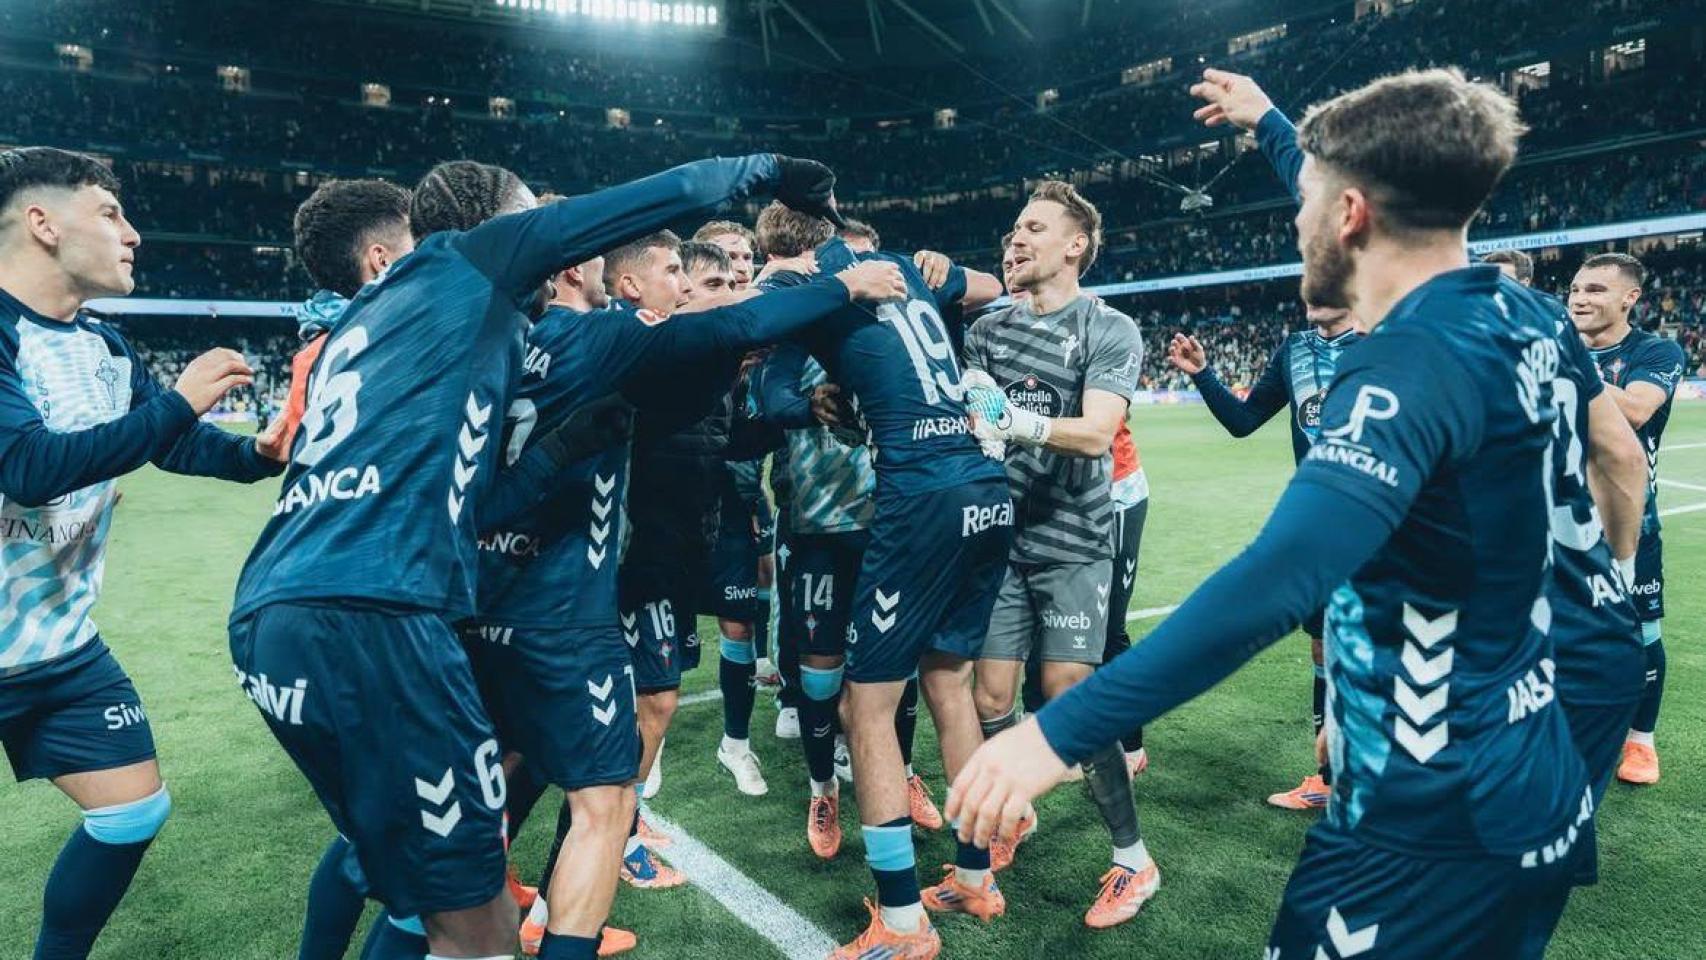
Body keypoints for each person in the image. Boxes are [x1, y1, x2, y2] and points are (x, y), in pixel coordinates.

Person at [950, 68, 1595, 959]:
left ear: (1351, 216)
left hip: (1426, 818)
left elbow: (1276, 581)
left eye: (1308, 202)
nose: (1296, 221)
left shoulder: (1407, 366)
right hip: (1534, 779)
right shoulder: (1529, 318)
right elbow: (1610, 506)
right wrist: (1272, 124)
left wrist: (1051, 736)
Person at [227, 153, 844, 960]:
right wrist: (773, 179)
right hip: (383, 610)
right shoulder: (475, 270)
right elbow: (665, 217)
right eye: (534, 227)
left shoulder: (389, 325)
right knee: (476, 920)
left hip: (277, 610)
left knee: (408, 871)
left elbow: (480, 487)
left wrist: (554, 454)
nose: (557, 249)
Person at [476, 219, 903, 960]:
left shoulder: (670, 361)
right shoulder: (629, 342)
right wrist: (839, 284)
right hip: (611, 573)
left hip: (656, 559)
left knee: (571, 742)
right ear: (630, 282)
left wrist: (785, 405)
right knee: (592, 743)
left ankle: (527, 874)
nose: (709, 291)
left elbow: (720, 435)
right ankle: (543, 886)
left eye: (724, 278)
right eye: (695, 276)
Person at [0, 146, 286, 959]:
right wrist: (178, 400)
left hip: (57, 648)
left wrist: (257, 456)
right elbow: (25, 466)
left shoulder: (104, 346)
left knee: (131, 811)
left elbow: (176, 446)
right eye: (110, 212)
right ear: (43, 223)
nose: (133, 233)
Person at [750, 200, 1008, 960]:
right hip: (988, 482)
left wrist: (807, 399)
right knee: (950, 683)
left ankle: (901, 923)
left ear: (778, 253)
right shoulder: (894, 266)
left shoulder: (797, 289)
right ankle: (973, 875)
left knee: (868, 708)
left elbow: (766, 397)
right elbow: (989, 286)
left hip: (920, 493)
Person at [952, 181, 1153, 929]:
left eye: (1034, 227)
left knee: (1069, 694)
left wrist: (1018, 421)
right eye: (1011, 228)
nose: (1015, 239)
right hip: (1003, 539)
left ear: (1076, 245)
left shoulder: (1110, 326)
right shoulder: (987, 332)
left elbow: (1098, 433)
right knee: (990, 700)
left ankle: (1133, 858)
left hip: (1073, 537)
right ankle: (1018, 813)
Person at [1186, 67, 1364, 810]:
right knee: (1326, 653)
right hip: (1319, 532)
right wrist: (1200, 376)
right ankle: (1326, 777)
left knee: (1386, 659)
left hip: (1386, 532)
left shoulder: (1396, 333)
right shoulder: (1294, 350)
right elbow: (1241, 421)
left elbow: (1328, 199)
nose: (1307, 260)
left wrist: (1267, 121)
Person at [282, 177, 422, 960]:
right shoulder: (403, 332)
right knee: (424, 863)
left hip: (312, 597)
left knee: (371, 835)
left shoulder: (327, 346)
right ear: (379, 258)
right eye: (416, 240)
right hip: (373, 607)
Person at [1569, 252, 1688, 785]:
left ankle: (1639, 742)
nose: (1580, 298)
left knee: (1641, 631)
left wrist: (1561, 363)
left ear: (1629, 298)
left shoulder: (1654, 351)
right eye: (1574, 289)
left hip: (1630, 524)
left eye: (1595, 289)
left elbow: (1637, 410)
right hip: (1556, 522)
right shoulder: (1557, 346)